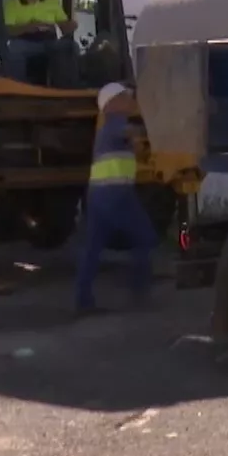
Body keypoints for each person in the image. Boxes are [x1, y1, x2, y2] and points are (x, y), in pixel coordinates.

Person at [74, 82, 157, 315]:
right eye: (125, 97)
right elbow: (129, 133)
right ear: (111, 104)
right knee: (145, 236)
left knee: (92, 247)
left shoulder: (106, 130)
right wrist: (152, 130)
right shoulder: (115, 124)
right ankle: (139, 294)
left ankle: (83, 301)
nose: (130, 101)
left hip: (98, 195)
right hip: (117, 195)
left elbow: (131, 146)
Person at [2, 0, 78, 86]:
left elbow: (63, 23)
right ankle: (17, 87)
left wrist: (70, 25)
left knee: (71, 46)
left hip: (50, 40)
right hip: (25, 42)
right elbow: (7, 30)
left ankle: (67, 88)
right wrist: (28, 27)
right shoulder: (11, 3)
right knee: (13, 49)